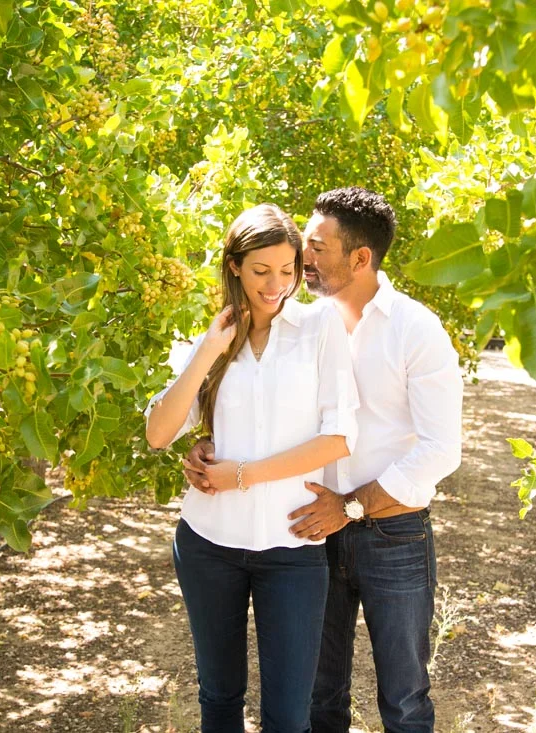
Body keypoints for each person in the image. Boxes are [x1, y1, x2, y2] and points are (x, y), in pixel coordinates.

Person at [184, 188, 463, 733]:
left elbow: (440, 449)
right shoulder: (301, 324)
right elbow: (264, 407)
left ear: (360, 258)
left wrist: (353, 507)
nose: (301, 259)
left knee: (404, 698)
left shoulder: (416, 329)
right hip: (310, 530)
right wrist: (210, 440)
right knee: (318, 694)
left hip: (391, 532)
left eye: (314, 247)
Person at [145, 203, 360, 733]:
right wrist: (207, 353)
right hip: (208, 544)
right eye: (262, 270)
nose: (276, 285)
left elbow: (339, 438)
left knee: (289, 717)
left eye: (288, 270)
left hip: (291, 549)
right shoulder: (211, 337)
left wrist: (241, 474)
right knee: (218, 698)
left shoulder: (319, 328)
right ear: (234, 265)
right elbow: (158, 434)